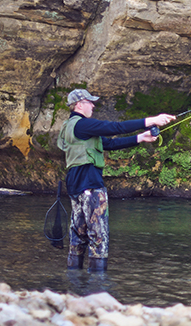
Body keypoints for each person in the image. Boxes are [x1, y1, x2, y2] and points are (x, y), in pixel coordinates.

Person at [57, 88, 177, 272]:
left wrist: (140, 138)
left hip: (75, 185)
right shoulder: (83, 124)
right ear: (79, 105)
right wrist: (151, 120)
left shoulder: (71, 127)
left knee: (78, 236)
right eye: (90, 102)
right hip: (90, 184)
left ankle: (74, 282)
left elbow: (109, 144)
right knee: (99, 237)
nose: (93, 105)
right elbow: (115, 128)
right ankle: (97, 285)